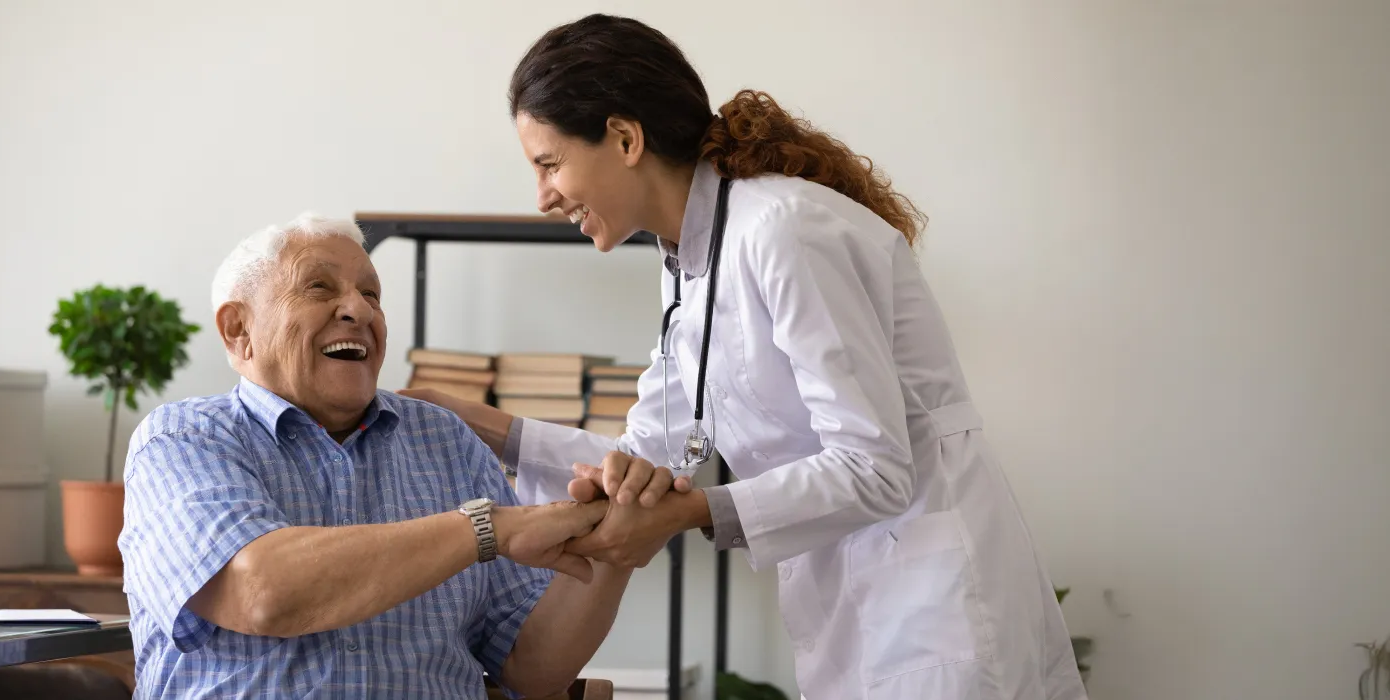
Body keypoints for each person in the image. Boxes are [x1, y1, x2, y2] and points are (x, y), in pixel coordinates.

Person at [401, 13, 1088, 700]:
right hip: (859, 603)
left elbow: (875, 468)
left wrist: (690, 512)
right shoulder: (687, 263)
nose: (544, 196)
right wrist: (470, 420)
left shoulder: (782, 232)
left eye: (549, 163)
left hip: (933, 609)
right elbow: (645, 453)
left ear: (624, 137)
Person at [118, 212, 637, 699]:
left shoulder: (447, 440)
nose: (359, 309)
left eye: (372, 293)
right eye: (318, 287)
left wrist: (617, 544)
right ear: (238, 330)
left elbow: (532, 666)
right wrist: (485, 529)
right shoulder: (182, 440)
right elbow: (262, 592)